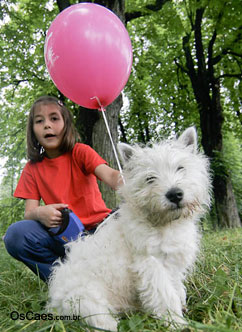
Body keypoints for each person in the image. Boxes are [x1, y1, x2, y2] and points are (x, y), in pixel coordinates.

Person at [4, 95, 121, 282]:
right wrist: (40, 213)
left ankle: (119, 278)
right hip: (65, 239)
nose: (47, 125)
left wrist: (132, 179)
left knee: (127, 216)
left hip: (101, 232)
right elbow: (29, 212)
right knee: (16, 235)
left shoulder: (80, 152)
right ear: (33, 131)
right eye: (39, 121)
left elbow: (112, 176)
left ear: (66, 124)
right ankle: (65, 282)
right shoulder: (32, 169)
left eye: (54, 118)